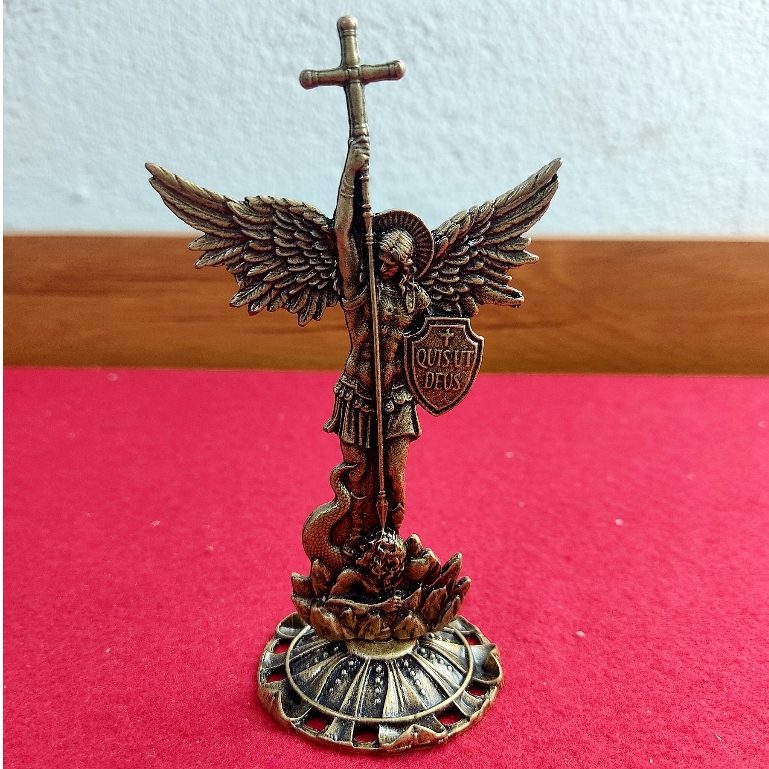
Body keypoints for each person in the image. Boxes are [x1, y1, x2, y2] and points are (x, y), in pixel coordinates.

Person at [324, 136, 431, 544]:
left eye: (391, 262)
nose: (383, 267)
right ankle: (357, 542)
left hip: (398, 397)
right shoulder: (359, 288)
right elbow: (340, 231)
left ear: (405, 265)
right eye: (380, 259)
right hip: (358, 392)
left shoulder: (417, 300)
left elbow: (434, 346)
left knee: (395, 478)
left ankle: (392, 547)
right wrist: (350, 173)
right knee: (359, 476)